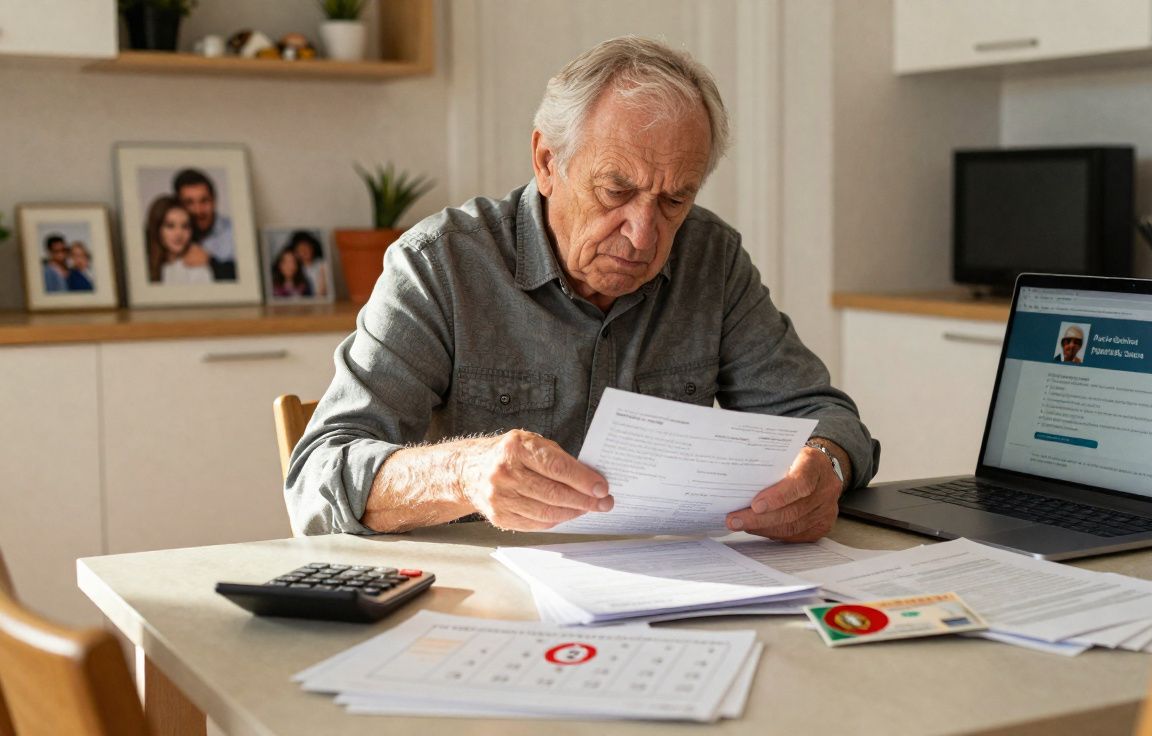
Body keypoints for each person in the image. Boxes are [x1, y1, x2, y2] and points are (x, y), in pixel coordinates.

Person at [285, 37, 878, 542]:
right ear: (547, 161)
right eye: (616, 190)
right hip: (487, 597)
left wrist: (824, 466)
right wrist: (465, 473)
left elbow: (822, 416)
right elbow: (316, 479)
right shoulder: (439, 265)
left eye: (674, 200)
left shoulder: (711, 259)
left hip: (670, 585)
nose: (644, 235)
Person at [173, 168, 237, 281]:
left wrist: (211, 263)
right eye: (189, 203)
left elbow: (249, 278)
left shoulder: (236, 232)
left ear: (214, 201)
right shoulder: (170, 236)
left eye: (204, 201)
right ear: (178, 205)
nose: (198, 210)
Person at [145, 195, 214, 285]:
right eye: (170, 226)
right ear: (157, 229)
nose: (179, 233)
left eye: (185, 226)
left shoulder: (198, 267)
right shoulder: (142, 264)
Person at [289, 231, 328, 297]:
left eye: (307, 247)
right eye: (301, 249)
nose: (305, 251)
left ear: (312, 247)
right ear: (296, 253)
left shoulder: (323, 264)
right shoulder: (295, 270)